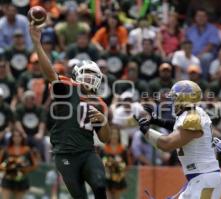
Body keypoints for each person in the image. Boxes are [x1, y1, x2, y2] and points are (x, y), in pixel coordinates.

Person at [30, 24, 111, 199]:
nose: (89, 77)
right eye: (86, 73)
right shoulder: (68, 88)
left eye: (93, 74)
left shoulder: (99, 103)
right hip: (65, 154)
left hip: (87, 152)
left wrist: (103, 121)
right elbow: (50, 73)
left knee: (100, 185)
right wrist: (38, 44)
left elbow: (105, 138)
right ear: (77, 74)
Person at [136, 80, 221, 198]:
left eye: (174, 98)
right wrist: (157, 121)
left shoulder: (193, 118)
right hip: (198, 177)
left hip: (204, 178)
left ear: (183, 99)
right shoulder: (193, 113)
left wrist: (147, 131)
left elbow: (167, 144)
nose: (172, 101)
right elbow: (178, 127)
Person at [0, 130, 38, 199]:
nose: (17, 138)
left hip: (22, 180)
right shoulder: (6, 150)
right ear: (12, 138)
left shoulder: (27, 150)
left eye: (19, 136)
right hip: (7, 180)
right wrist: (8, 167)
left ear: (22, 138)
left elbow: (34, 166)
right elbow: (1, 165)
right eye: (15, 136)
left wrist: (24, 168)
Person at [100, 127, 127, 199]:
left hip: (118, 179)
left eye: (116, 134)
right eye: (112, 134)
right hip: (107, 178)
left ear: (119, 136)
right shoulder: (104, 149)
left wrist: (120, 167)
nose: (114, 136)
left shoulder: (123, 149)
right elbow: (101, 163)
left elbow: (127, 163)